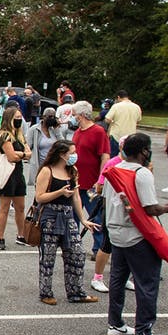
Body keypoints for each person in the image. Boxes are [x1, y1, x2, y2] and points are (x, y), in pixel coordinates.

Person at [103, 134, 168, 335]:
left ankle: (116, 323)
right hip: (137, 235)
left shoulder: (113, 171)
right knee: (147, 282)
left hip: (116, 231)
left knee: (118, 279)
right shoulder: (142, 173)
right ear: (144, 151)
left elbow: (105, 202)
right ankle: (144, 330)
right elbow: (149, 208)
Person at [33, 140, 101, 304]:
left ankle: (76, 292)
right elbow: (39, 197)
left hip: (68, 215)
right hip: (50, 216)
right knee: (47, 258)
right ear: (62, 154)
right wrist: (59, 192)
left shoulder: (72, 170)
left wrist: (83, 219)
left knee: (77, 253)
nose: (74, 156)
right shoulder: (47, 171)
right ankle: (46, 293)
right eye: (72, 153)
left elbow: (76, 196)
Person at [71, 101, 112, 293]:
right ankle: (73, 246)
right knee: (74, 217)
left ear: (81, 115)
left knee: (95, 218)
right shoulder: (78, 132)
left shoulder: (98, 132)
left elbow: (105, 156)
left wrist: (100, 179)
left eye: (74, 114)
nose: (73, 117)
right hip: (77, 182)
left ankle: (98, 250)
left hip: (92, 184)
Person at [0, 106, 33, 249]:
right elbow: (11, 156)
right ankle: (0, 237)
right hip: (6, 174)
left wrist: (20, 154)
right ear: (9, 119)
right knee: (4, 207)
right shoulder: (5, 135)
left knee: (20, 207)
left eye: (20, 118)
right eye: (16, 118)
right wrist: (22, 154)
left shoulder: (20, 135)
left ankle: (21, 235)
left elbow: (29, 152)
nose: (18, 120)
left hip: (18, 173)